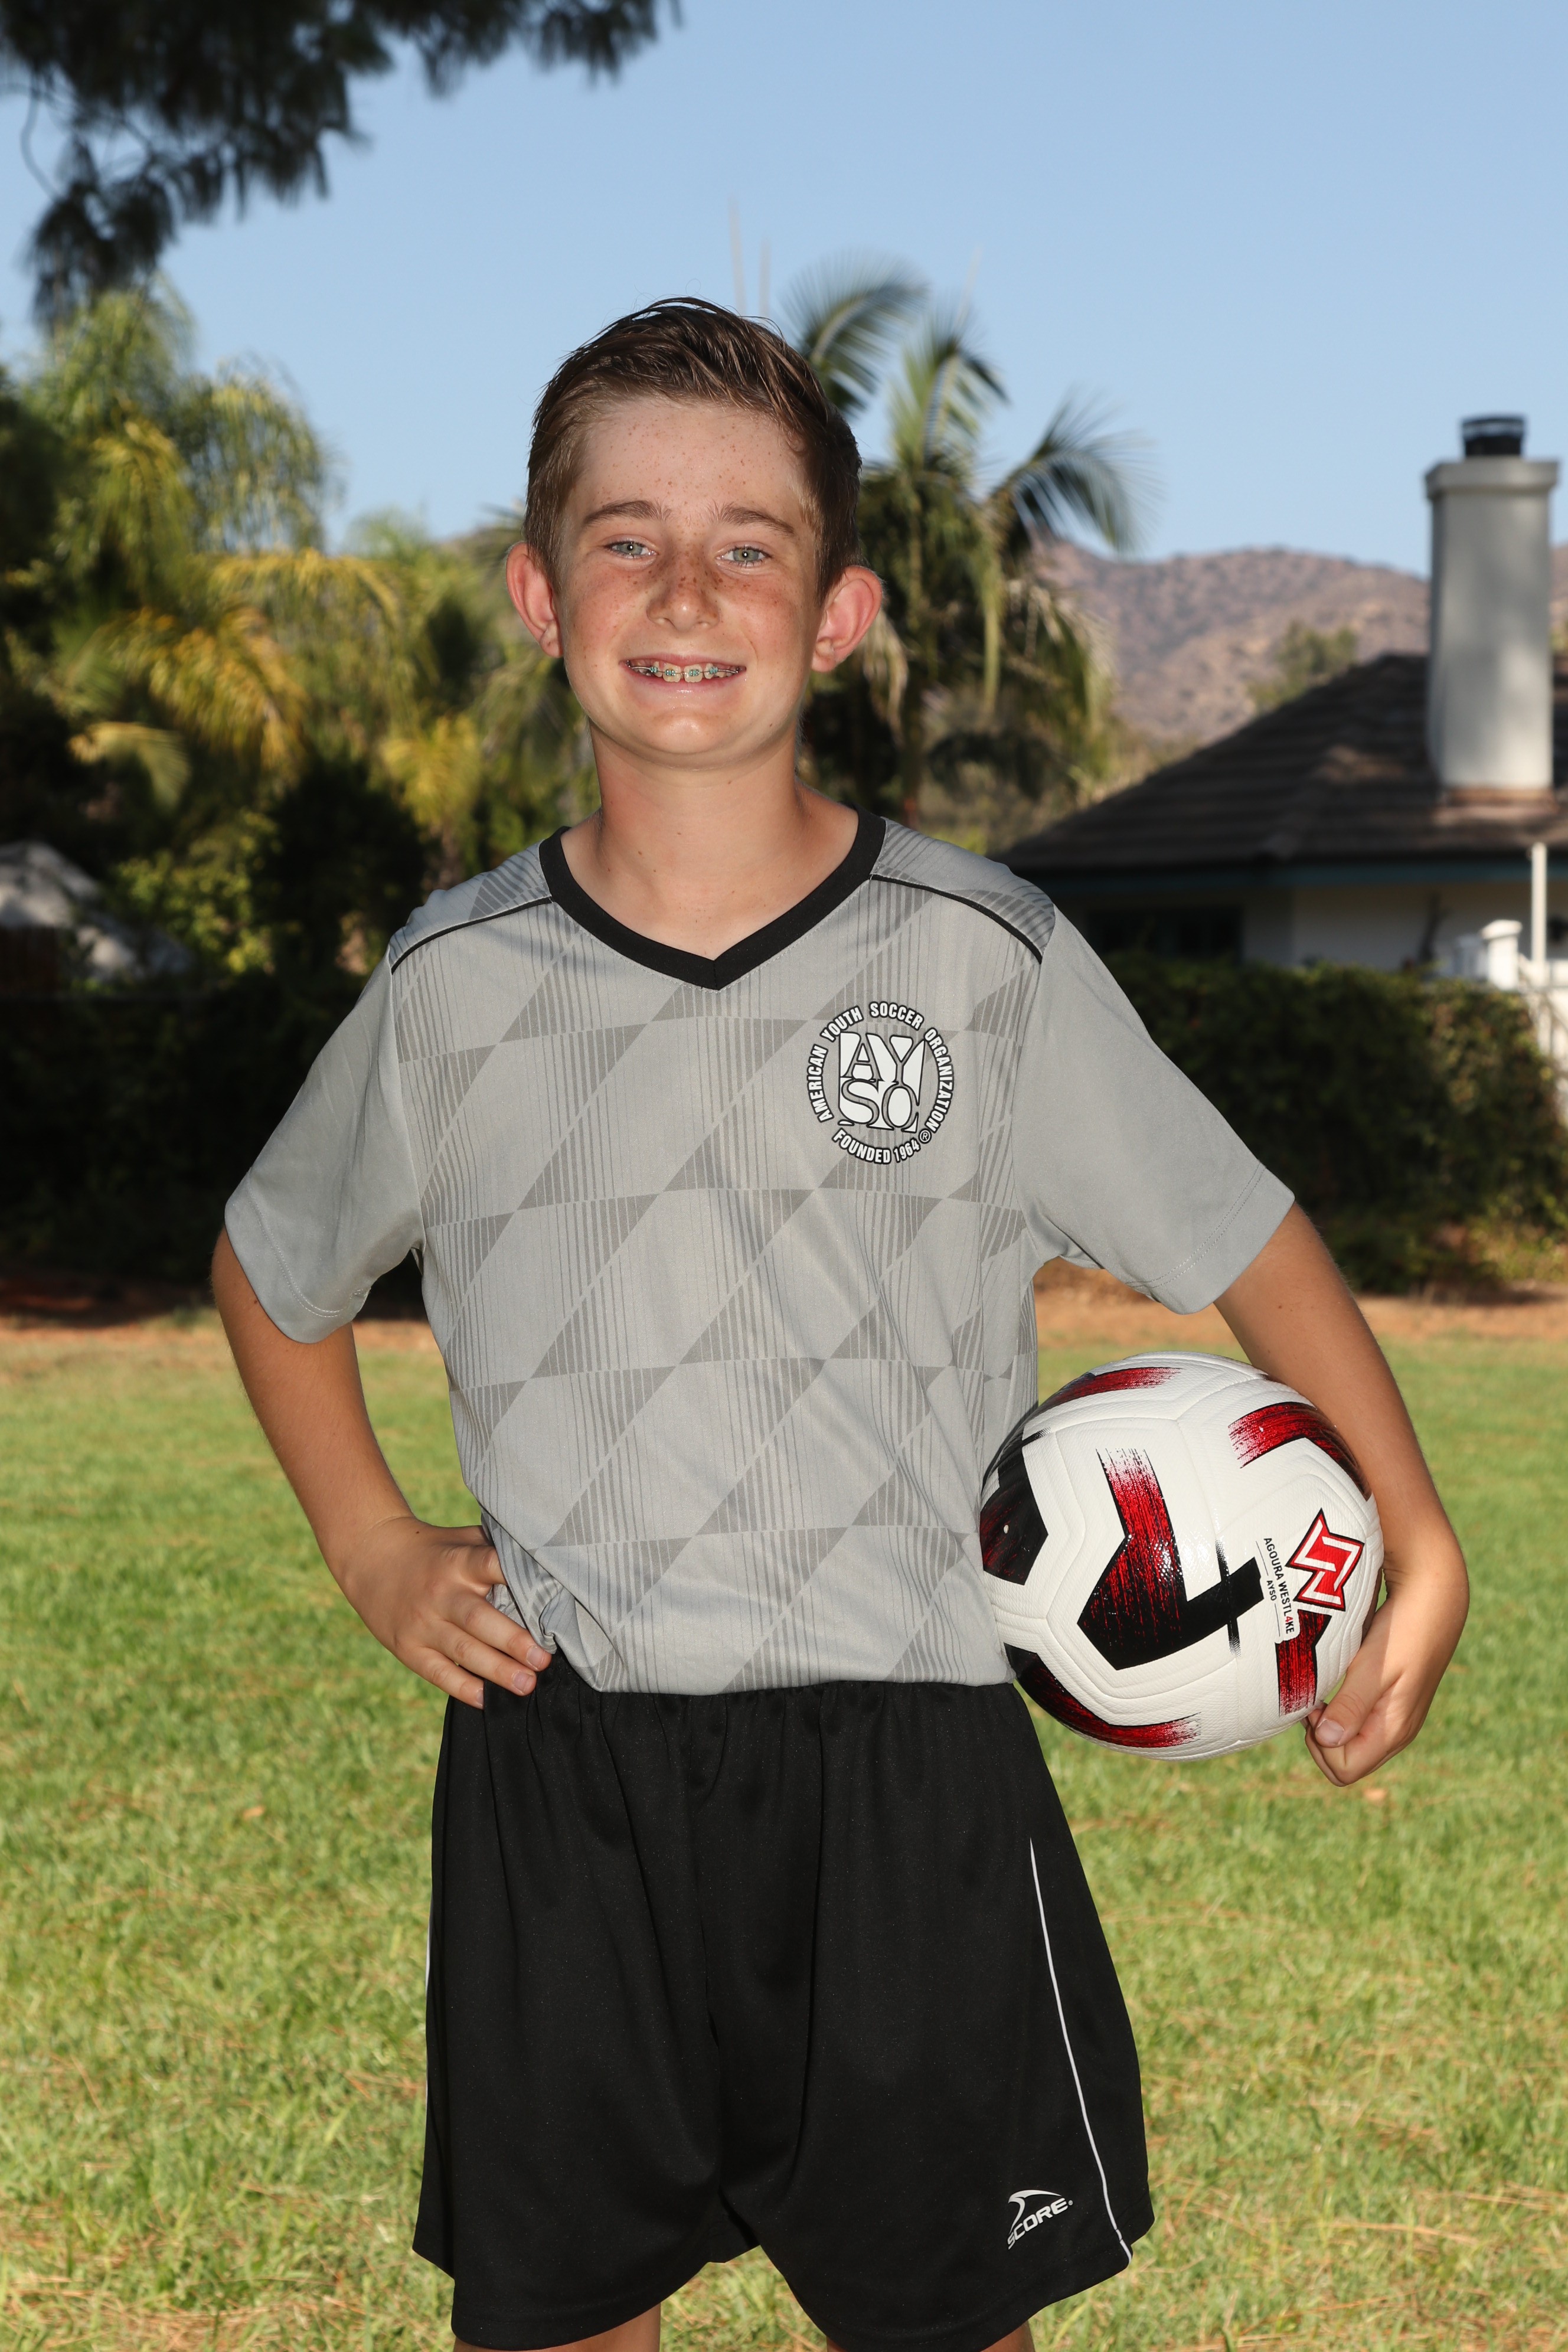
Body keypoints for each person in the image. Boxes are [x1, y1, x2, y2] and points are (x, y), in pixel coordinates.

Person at [213, 300, 1468, 2352]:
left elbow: (1251, 1238)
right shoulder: (452, 987)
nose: (684, 591)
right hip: (567, 1776)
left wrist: (1415, 1535)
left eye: (749, 546)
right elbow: (273, 1273)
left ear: (841, 615)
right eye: (625, 540)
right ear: (540, 596)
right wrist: (368, 1543)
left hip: (910, 1778)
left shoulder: (984, 960)